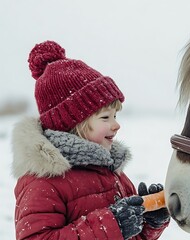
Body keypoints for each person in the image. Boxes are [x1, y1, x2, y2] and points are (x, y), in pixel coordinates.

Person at [11, 40, 170, 240]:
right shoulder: (44, 180)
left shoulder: (110, 170)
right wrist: (110, 226)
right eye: (105, 117)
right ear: (73, 123)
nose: (116, 125)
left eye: (115, 116)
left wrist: (147, 223)